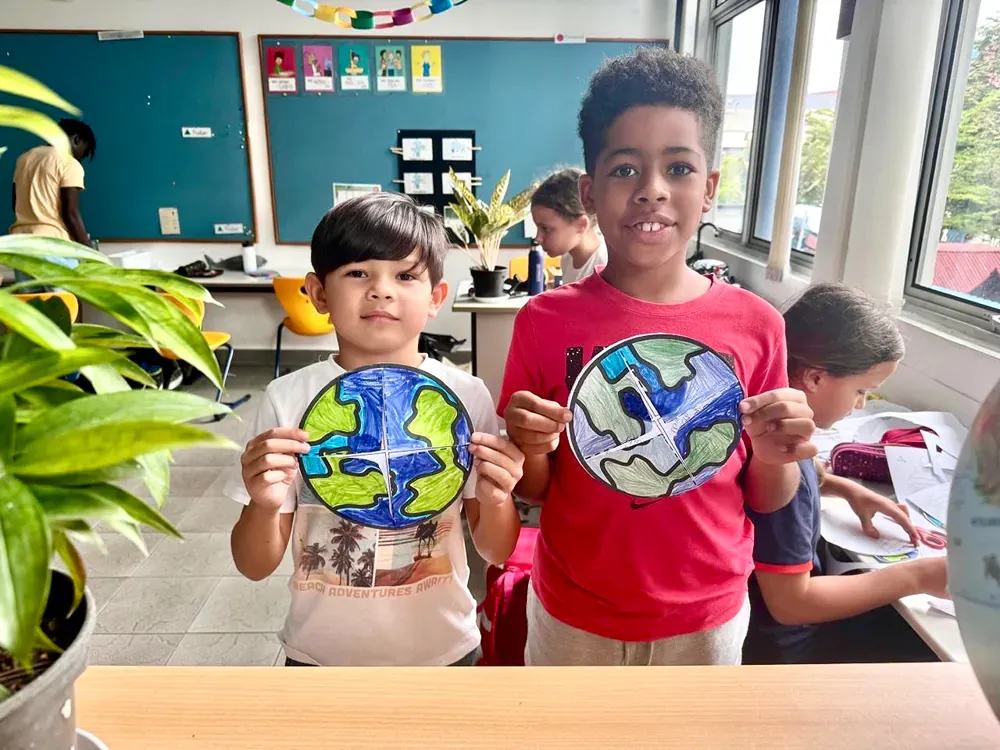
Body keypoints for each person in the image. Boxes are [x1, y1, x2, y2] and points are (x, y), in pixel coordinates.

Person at [498, 47, 816, 666]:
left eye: (678, 168)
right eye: (624, 169)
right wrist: (531, 446)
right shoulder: (543, 321)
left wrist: (780, 454)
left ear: (710, 189)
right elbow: (535, 490)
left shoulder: (758, 326)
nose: (651, 191)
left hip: (706, 617)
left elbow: (767, 496)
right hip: (572, 612)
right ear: (590, 193)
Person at [227, 192, 523, 666]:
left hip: (444, 649)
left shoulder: (465, 398)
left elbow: (495, 548)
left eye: (406, 276)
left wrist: (498, 498)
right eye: (358, 273)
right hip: (319, 655)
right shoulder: (287, 398)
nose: (382, 290)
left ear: (436, 298)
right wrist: (263, 504)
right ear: (319, 293)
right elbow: (254, 565)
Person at [743, 283, 948, 664]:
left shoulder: (768, 427)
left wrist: (847, 489)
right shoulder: (782, 462)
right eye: (861, 390)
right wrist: (920, 576)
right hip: (787, 653)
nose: (861, 404)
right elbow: (791, 604)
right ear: (815, 379)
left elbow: (804, 474)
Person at [10, 118, 95, 247]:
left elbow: (15, 203)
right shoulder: (69, 163)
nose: (80, 158)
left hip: (20, 241)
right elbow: (70, 212)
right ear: (77, 140)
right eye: (84, 152)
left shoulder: (24, 159)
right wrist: (88, 248)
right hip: (52, 243)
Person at [531, 167, 607, 285]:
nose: (538, 238)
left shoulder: (606, 269)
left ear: (581, 225)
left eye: (545, 229)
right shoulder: (567, 258)